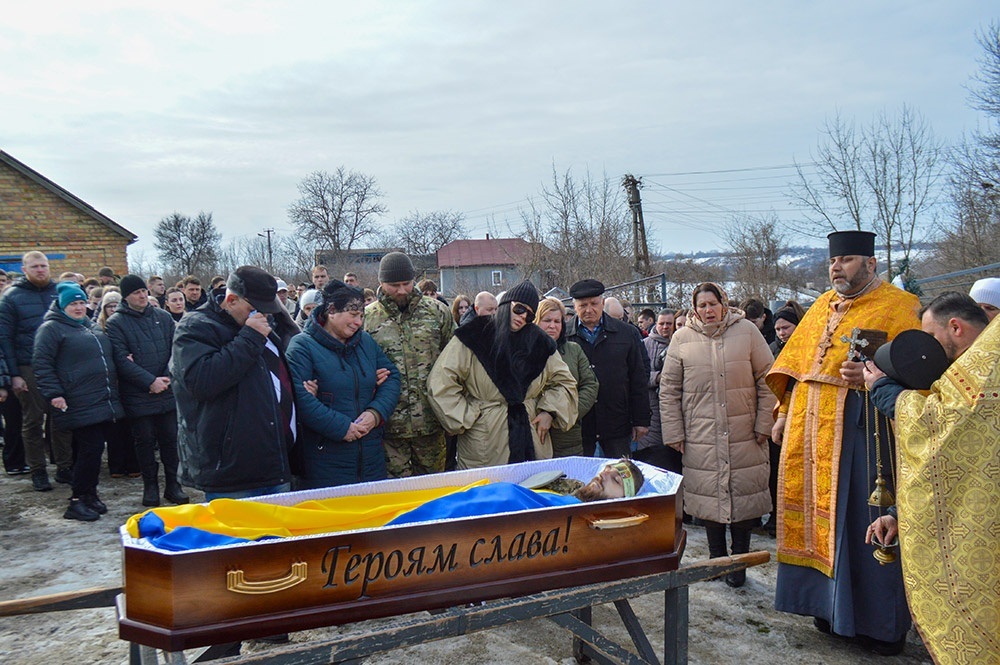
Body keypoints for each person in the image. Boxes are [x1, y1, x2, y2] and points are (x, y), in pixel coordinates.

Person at [767, 230, 920, 654]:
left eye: (848, 260)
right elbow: (796, 368)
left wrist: (877, 379)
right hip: (809, 432)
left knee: (862, 519)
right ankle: (830, 612)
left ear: (870, 264)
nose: (837, 268)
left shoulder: (900, 307)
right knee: (824, 523)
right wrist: (781, 414)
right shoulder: (820, 305)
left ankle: (879, 626)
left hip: (864, 436)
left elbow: (921, 376)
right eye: (834, 261)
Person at [861, 292, 997, 664]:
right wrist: (903, 519)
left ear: (956, 327)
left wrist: (883, 390)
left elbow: (937, 431)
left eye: (931, 337)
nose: (930, 352)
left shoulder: (985, 362)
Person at [128, 459, 648, 551]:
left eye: (608, 481)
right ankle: (224, 520)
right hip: (455, 503)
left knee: (332, 528)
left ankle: (227, 529)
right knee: (335, 514)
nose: (600, 478)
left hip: (475, 513)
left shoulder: (574, 506)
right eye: (604, 472)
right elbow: (504, 486)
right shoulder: (561, 484)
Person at [660, 283, 775, 587]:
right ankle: (715, 560)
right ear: (694, 309)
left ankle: (739, 562)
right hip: (701, 434)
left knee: (742, 497)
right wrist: (674, 431)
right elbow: (669, 390)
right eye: (702, 306)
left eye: (713, 304)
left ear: (724, 304)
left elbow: (769, 380)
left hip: (745, 432)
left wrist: (765, 422)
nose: (708, 311)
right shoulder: (682, 339)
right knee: (708, 498)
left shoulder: (747, 332)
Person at [170, 266, 299, 500]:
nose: (263, 317)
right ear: (231, 300)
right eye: (254, 310)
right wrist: (249, 338)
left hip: (274, 463)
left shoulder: (259, 325)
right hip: (232, 472)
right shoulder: (195, 327)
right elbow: (201, 382)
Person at [429, 282, 577, 469]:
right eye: (519, 309)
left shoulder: (541, 343)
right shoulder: (472, 336)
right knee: (487, 494)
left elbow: (565, 383)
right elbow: (441, 381)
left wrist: (550, 412)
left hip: (530, 435)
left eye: (529, 314)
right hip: (485, 440)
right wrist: (467, 417)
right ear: (507, 304)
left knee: (530, 493)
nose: (522, 317)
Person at [285, 280, 401, 489]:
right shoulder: (302, 346)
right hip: (325, 461)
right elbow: (299, 397)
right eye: (353, 315)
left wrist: (375, 414)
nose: (358, 322)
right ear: (331, 310)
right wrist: (342, 428)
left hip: (370, 458)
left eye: (361, 316)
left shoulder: (364, 342)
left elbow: (392, 377)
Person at [33, 282, 125, 521]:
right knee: (89, 451)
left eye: (81, 302)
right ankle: (76, 500)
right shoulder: (51, 329)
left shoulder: (90, 326)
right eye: (73, 303)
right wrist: (54, 393)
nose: (78, 307)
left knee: (93, 452)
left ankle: (89, 495)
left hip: (100, 399)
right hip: (77, 400)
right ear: (63, 306)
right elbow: (42, 364)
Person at [364, 252, 455, 477]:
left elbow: (456, 360)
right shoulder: (367, 318)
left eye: (406, 283)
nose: (402, 290)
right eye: (394, 285)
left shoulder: (437, 312)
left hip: (432, 422)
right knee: (396, 493)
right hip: (389, 426)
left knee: (434, 491)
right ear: (381, 283)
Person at [106, 275, 189, 506]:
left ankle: (174, 485)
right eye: (136, 293)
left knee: (170, 441)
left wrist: (165, 378)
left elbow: (176, 350)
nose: (142, 296)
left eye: (143, 291)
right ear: (126, 297)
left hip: (166, 389)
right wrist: (149, 381)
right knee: (144, 441)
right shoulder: (116, 323)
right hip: (138, 394)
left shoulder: (162, 318)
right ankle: (150, 486)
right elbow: (121, 360)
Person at [0, 251, 74, 491]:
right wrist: (14, 374)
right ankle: (38, 470)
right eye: (35, 266)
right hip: (27, 364)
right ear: (24, 270)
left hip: (59, 363)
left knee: (61, 415)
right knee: (33, 420)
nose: (40, 270)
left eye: (43, 265)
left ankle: (64, 467)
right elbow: (5, 339)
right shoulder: (11, 297)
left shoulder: (60, 292)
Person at [566, 279, 650, 458]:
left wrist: (641, 419)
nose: (589, 309)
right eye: (583, 305)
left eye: (594, 304)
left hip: (617, 422)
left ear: (603, 303)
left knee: (621, 478)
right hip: (579, 425)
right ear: (574, 307)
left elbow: (638, 377)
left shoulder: (626, 333)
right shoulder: (564, 335)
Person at [534, 297, 599, 458]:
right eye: (547, 320)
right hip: (533, 431)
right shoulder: (522, 351)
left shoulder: (573, 350)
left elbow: (590, 385)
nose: (552, 326)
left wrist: (565, 413)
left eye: (557, 321)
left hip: (567, 435)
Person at [635, 309, 682, 474]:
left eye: (669, 324)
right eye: (662, 323)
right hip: (652, 411)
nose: (665, 327)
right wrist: (658, 378)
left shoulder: (681, 344)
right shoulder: (645, 344)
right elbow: (638, 376)